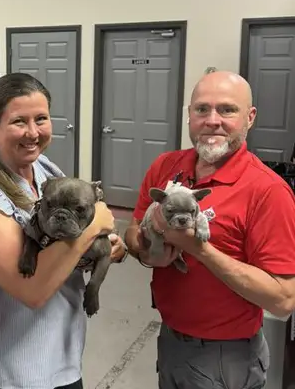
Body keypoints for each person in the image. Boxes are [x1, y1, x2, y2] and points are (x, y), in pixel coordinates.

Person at [0, 72, 126, 389]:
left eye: (41, 119)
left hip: (60, 349)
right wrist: (97, 223)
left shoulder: (44, 168)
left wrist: (107, 245)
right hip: (11, 364)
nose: (33, 132)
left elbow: (74, 230)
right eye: (19, 121)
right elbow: (30, 291)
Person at [124, 70, 295, 389]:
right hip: (170, 338)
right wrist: (147, 250)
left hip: (225, 357)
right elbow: (132, 231)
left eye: (227, 110)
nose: (212, 120)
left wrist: (198, 248)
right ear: (189, 115)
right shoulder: (166, 166)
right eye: (202, 109)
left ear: (250, 117)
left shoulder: (268, 192)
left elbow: (283, 300)